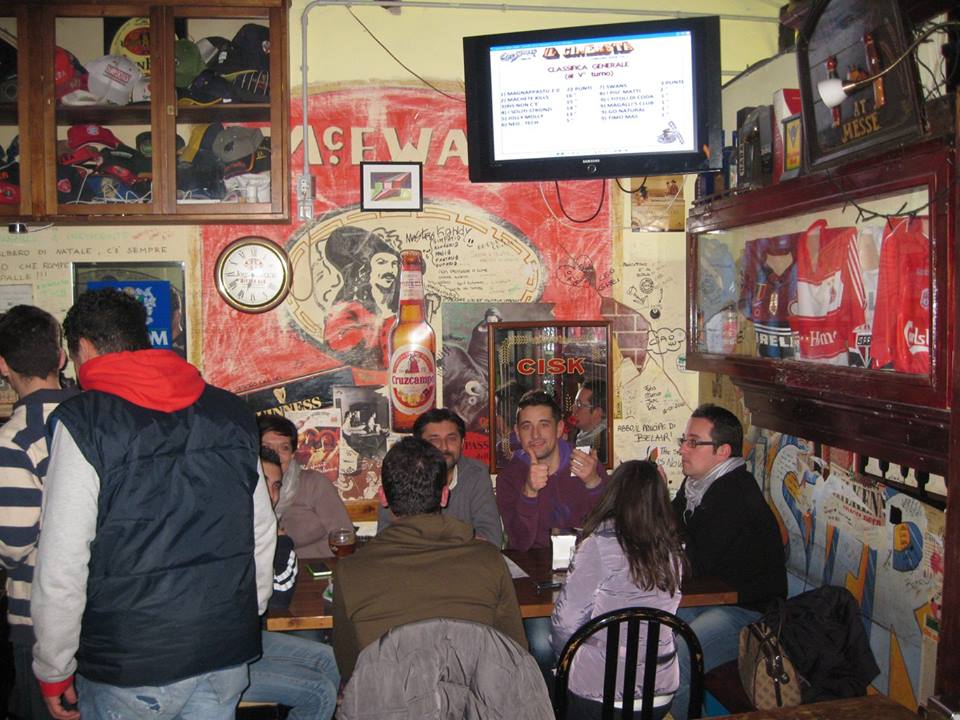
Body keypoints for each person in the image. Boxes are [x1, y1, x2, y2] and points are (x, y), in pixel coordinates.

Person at [31, 288, 276, 720]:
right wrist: (240, 615)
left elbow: (62, 563)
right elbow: (260, 530)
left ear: (83, 347)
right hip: (222, 648)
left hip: (131, 663)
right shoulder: (231, 412)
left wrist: (54, 668)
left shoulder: (85, 422)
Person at [331, 436, 526, 683]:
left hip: (388, 700)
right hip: (473, 699)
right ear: (444, 496)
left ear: (383, 497)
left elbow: (349, 667)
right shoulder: (490, 560)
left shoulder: (350, 571)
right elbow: (516, 653)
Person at [670, 403, 787, 719]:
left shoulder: (733, 494)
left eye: (693, 442)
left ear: (722, 451)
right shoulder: (697, 485)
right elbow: (673, 532)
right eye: (684, 440)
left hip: (749, 612)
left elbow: (693, 562)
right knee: (651, 628)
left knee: (679, 651)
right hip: (710, 597)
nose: (682, 449)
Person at [551, 460, 685, 719]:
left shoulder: (597, 545)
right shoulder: (672, 551)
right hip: (659, 691)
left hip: (601, 692)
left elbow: (566, 622)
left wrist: (563, 662)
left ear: (613, 495)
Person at [0, 306, 77, 720]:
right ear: (60, 358)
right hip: (103, 612)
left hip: (40, 620)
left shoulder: (14, 439)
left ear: (3, 365)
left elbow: (12, 544)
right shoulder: (95, 415)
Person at [242, 448, 339, 720]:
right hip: (219, 660)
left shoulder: (260, 527)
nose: (271, 495)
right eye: (264, 484)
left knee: (330, 659)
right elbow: (278, 597)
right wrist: (280, 539)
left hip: (246, 639)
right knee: (320, 693)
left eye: (276, 486)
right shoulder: (233, 530)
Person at [495, 389, 608, 552]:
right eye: (526, 427)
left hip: (585, 560)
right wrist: (529, 492)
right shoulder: (509, 477)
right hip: (532, 564)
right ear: (518, 433)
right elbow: (519, 543)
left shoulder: (586, 463)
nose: (535, 435)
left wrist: (593, 483)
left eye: (544, 425)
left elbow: (611, 531)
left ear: (559, 429)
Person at [378, 408, 503, 546]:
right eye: (434, 440)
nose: (444, 447)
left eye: (451, 439)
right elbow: (386, 538)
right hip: (414, 559)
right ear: (419, 445)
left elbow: (492, 539)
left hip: (463, 560)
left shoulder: (476, 473)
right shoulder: (400, 473)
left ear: (462, 443)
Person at [258, 414, 352, 558]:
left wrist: (289, 556)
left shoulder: (313, 484)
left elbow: (344, 537)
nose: (276, 454)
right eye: (267, 447)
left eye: (284, 448)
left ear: (292, 454)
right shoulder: (245, 491)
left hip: (316, 567)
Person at [321, 226, 401, 368]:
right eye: (381, 263)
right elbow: (345, 352)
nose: (390, 270)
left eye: (394, 264)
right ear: (366, 270)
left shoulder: (402, 310)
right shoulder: (347, 310)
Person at [570, 378, 608, 464]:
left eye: (579, 405)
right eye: (575, 403)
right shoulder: (579, 433)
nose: (573, 408)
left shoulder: (604, 443)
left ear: (597, 412)